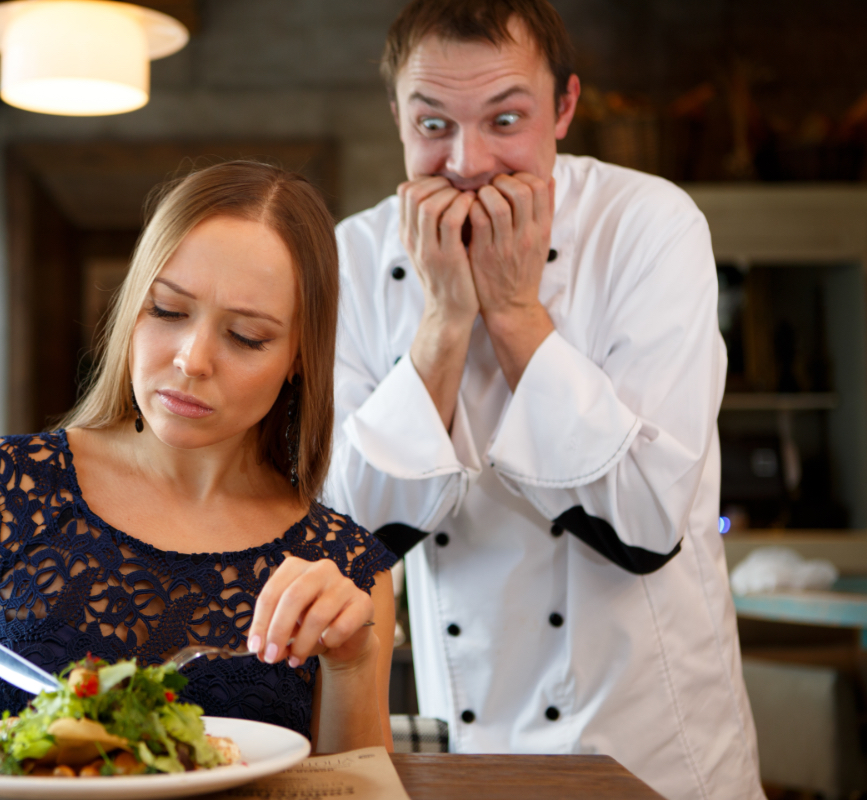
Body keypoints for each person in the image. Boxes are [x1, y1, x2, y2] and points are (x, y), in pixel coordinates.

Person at [323, 1, 764, 798]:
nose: (467, 162)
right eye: (433, 126)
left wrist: (517, 312)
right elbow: (348, 535)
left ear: (564, 109)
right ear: (396, 116)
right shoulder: (351, 258)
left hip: (656, 748)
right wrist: (446, 320)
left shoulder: (649, 227)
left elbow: (644, 520)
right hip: (474, 740)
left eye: (505, 118)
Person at [0, 161, 397, 756]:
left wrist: (353, 665)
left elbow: (361, 790)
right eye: (167, 311)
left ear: (301, 357)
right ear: (131, 309)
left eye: (247, 336)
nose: (192, 360)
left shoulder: (344, 565)